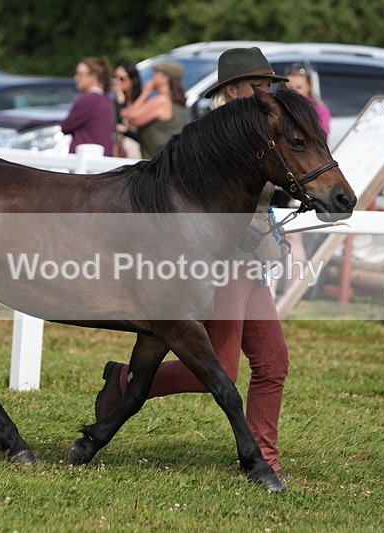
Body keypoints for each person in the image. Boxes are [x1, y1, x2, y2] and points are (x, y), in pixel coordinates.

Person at [95, 47, 294, 479]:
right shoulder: (215, 137)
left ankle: (264, 456)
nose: (269, 92)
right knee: (220, 368)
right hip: (222, 264)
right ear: (235, 91)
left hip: (253, 264)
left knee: (273, 362)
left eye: (271, 85)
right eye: (261, 85)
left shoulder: (263, 131)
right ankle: (126, 381)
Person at [269, 64, 333, 296]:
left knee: (293, 237)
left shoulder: (315, 112)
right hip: (282, 178)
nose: (294, 91)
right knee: (275, 236)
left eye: (299, 86)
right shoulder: (281, 110)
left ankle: (293, 292)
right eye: (290, 86)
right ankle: (274, 290)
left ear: (309, 87)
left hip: (301, 179)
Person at [119, 60, 190, 159]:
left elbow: (131, 118)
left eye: (156, 73)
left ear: (165, 78)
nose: (152, 76)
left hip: (158, 162)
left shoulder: (162, 100)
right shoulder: (175, 100)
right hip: (169, 160)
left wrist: (145, 92)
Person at [61, 57, 114, 156]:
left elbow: (65, 127)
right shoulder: (106, 99)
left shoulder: (89, 100)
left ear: (92, 77)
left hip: (85, 160)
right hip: (101, 158)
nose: (76, 78)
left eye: (80, 74)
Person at [112, 60, 142, 158]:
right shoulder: (116, 101)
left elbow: (143, 135)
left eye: (121, 78)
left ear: (132, 80)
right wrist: (120, 101)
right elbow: (114, 124)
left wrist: (126, 130)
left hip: (136, 152)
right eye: (115, 78)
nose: (117, 82)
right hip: (118, 151)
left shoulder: (141, 102)